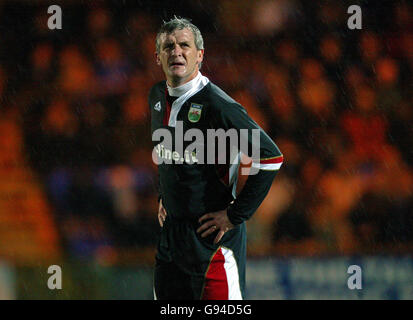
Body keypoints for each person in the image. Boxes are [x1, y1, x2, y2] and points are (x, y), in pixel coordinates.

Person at [149, 17, 283, 300]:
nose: (176, 52)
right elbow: (168, 155)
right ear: (158, 55)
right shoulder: (156, 97)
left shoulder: (218, 105)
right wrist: (165, 196)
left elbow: (270, 157)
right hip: (172, 239)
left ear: (200, 55)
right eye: (168, 46)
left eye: (184, 45)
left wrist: (236, 215)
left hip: (212, 242)